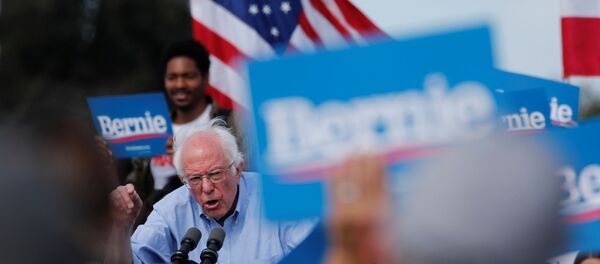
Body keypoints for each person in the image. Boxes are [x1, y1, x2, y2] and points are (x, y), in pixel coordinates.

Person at [106, 118, 313, 264]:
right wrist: (121, 227)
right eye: (195, 179)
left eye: (215, 174)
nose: (206, 188)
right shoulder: (170, 211)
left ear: (238, 169)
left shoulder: (278, 196)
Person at [123, 39, 243, 227]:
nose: (180, 84)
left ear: (205, 77)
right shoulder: (151, 126)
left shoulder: (231, 123)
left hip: (215, 228)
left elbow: (247, 176)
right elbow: (135, 193)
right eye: (172, 77)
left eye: (188, 76)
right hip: (159, 230)